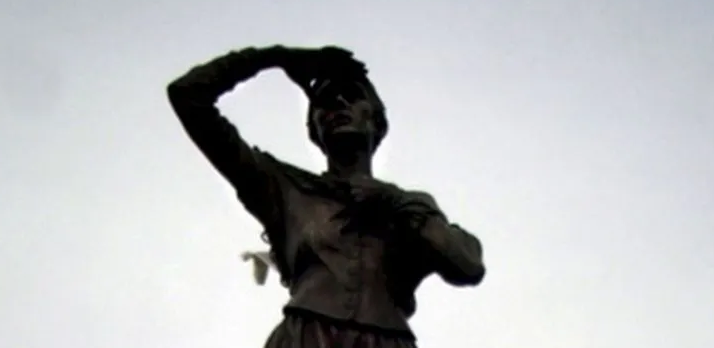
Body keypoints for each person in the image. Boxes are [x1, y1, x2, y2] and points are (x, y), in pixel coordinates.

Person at [167, 45, 485, 348]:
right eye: (326, 101)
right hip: (306, 338)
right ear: (314, 128)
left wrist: (395, 202)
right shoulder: (283, 188)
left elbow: (467, 265)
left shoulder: (409, 206)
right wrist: (278, 57)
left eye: (352, 96)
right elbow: (187, 95)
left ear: (376, 119)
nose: (339, 106)